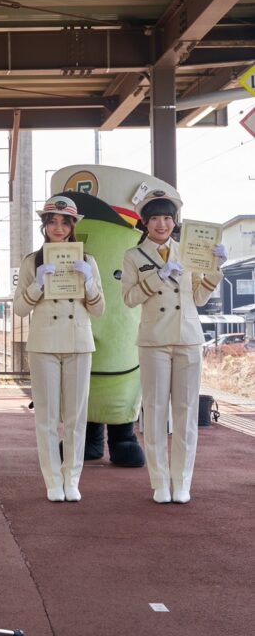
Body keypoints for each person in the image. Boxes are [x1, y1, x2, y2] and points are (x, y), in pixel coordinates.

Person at [121, 189, 226, 504]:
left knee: (186, 412)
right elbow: (128, 299)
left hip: (188, 338)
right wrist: (157, 277)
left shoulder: (190, 252)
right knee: (154, 413)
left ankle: (182, 482)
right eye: (155, 218)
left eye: (167, 217)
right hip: (154, 340)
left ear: (175, 221)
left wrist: (215, 269)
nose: (162, 224)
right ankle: (159, 483)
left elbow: (197, 298)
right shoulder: (133, 256)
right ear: (145, 222)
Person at [13, 195, 105, 502]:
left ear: (73, 226)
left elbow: (99, 309)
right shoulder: (31, 261)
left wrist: (89, 282)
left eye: (65, 221)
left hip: (78, 341)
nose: (58, 227)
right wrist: (38, 284)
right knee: (48, 417)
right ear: (44, 226)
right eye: (52, 221)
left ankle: (72, 478)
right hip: (44, 343)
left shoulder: (88, 260)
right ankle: (53, 479)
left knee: (76, 416)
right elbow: (20, 309)